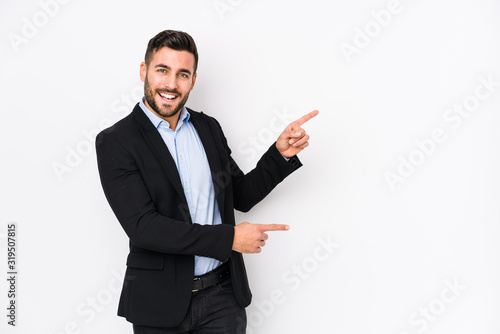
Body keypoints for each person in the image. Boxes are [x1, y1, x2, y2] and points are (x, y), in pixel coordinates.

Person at [96, 29, 318, 333]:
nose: (172, 84)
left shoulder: (208, 128)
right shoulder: (116, 142)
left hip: (222, 300)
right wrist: (229, 239)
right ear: (144, 71)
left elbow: (239, 195)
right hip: (159, 305)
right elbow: (144, 227)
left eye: (182, 74)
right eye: (162, 70)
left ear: (193, 80)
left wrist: (279, 156)